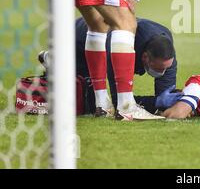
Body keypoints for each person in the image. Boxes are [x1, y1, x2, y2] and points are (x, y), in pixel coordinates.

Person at [38, 17, 184, 119]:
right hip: (80, 42)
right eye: (158, 69)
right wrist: (156, 102)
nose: (162, 73)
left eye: (165, 68)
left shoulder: (165, 53)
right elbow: (118, 103)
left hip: (105, 39)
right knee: (90, 106)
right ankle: (56, 60)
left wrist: (170, 102)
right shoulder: (121, 47)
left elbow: (165, 98)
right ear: (145, 57)